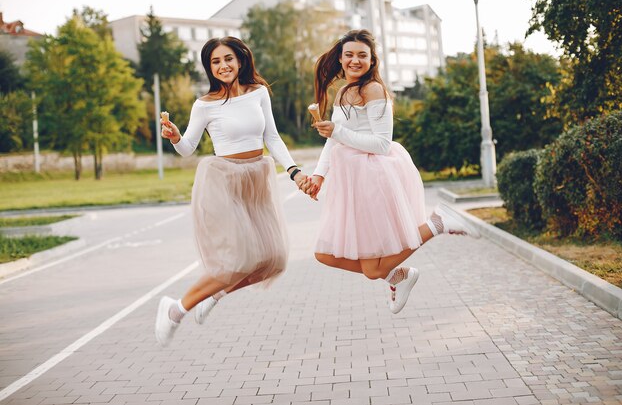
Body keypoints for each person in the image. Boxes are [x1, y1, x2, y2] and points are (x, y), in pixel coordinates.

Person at [302, 29, 480, 314]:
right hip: (351, 183)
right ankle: (398, 276)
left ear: (372, 60)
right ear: (340, 58)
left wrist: (338, 130)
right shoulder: (342, 95)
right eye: (349, 54)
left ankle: (438, 223)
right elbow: (333, 143)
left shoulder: (374, 90)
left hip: (373, 178)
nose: (355, 60)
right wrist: (320, 176)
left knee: (367, 266)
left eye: (362, 55)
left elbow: (382, 144)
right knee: (329, 256)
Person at [155, 37, 308, 346]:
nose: (223, 65)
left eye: (228, 59)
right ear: (209, 68)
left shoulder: (259, 93)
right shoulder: (204, 104)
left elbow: (273, 138)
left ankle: (216, 293)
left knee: (273, 260)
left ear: (240, 61)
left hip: (256, 180)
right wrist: (174, 137)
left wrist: (293, 171)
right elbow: (187, 149)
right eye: (215, 61)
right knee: (234, 261)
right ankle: (176, 309)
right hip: (222, 182)